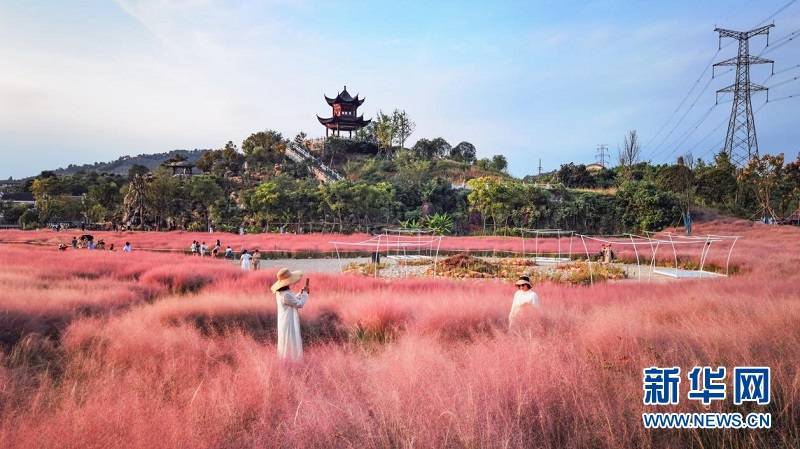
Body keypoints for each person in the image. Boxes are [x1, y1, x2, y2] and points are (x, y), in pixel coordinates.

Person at [271, 268, 309, 360]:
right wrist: (305, 294)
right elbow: (299, 304)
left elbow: (292, 300)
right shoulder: (286, 295)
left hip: (284, 320)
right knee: (291, 341)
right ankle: (292, 362)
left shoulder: (280, 293)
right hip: (288, 322)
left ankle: (287, 362)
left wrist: (301, 293)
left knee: (286, 342)